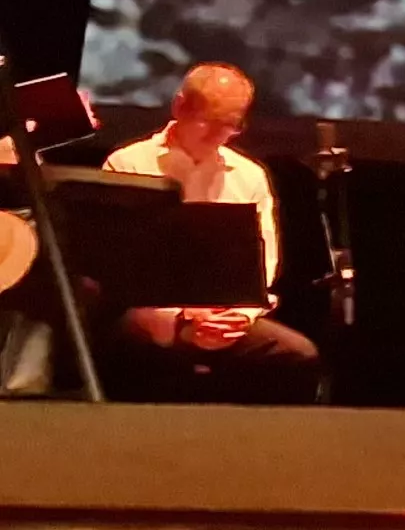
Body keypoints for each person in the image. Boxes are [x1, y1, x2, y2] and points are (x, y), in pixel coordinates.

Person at [95, 64, 319, 402]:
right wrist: (187, 316)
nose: (219, 134)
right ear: (180, 106)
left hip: (224, 318)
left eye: (230, 124)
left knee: (298, 356)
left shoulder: (249, 175)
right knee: (147, 347)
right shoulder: (129, 163)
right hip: (155, 316)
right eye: (209, 121)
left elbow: (264, 262)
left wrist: (239, 316)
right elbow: (120, 262)